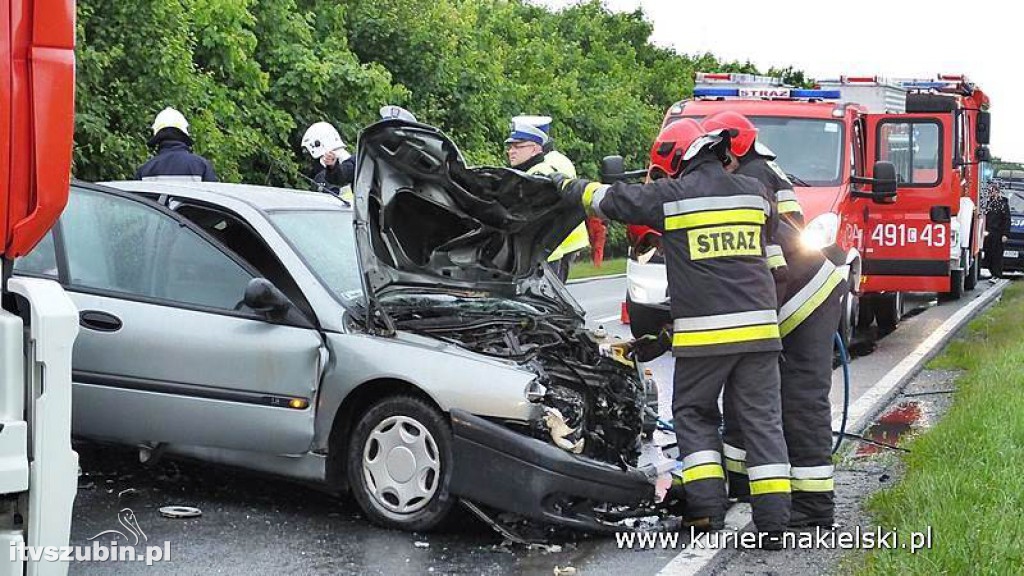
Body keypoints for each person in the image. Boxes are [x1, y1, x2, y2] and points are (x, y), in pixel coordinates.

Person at [555, 119, 791, 547]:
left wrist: (570, 188)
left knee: (695, 416)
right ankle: (774, 526)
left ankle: (706, 512)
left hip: (705, 337)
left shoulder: (674, 195)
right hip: (760, 333)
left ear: (681, 161)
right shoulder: (757, 194)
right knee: (763, 423)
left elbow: (614, 201)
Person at [703, 111, 846, 528]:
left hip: (804, 294)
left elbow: (771, 260)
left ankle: (813, 506)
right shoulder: (754, 173)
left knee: (799, 398)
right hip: (785, 290)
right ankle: (746, 485)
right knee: (749, 391)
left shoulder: (751, 179)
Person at [505, 116, 589, 281]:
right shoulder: (531, 170)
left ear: (536, 148)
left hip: (547, 251)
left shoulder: (541, 174)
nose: (511, 151)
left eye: (518, 146)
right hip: (545, 250)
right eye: (510, 147)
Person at [302, 106, 418, 194]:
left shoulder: (416, 164)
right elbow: (340, 177)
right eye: (384, 131)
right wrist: (333, 167)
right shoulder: (364, 158)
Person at [135, 107, 218, 182]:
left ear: (157, 138)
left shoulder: (145, 171)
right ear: (184, 135)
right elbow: (213, 197)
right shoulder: (202, 166)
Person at [983, 183, 1010, 278]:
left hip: (998, 234)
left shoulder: (1003, 204)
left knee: (997, 255)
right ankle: (988, 272)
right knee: (987, 253)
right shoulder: (987, 203)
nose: (991, 193)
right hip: (987, 233)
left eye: (993, 191)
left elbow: (1007, 220)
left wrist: (1005, 234)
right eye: (989, 191)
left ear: (997, 192)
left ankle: (997, 274)